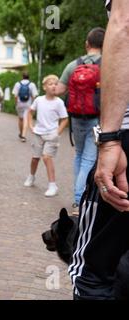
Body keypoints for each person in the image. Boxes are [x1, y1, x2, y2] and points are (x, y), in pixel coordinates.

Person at [68, 0, 129, 300]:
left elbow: (124, 23)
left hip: (119, 135)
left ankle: (78, 196)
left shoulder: (75, 65)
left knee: (95, 271)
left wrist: (111, 138)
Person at [56, 27, 106, 214]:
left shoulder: (73, 65)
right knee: (88, 158)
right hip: (97, 118)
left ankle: (78, 197)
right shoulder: (106, 65)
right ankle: (79, 199)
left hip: (76, 118)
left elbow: (59, 90)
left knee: (79, 155)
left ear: (87, 44)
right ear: (104, 45)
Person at [23, 75, 68, 197]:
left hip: (51, 135)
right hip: (38, 133)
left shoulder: (59, 102)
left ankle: (52, 185)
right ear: (44, 87)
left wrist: (57, 132)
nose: (54, 86)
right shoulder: (39, 100)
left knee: (47, 157)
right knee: (35, 158)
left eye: (56, 84)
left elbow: (64, 119)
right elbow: (30, 112)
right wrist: (31, 126)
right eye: (50, 84)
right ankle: (31, 176)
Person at [12, 73, 39, 142]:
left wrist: (16, 103)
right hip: (28, 104)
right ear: (28, 77)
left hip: (19, 104)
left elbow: (15, 95)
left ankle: (21, 134)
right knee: (26, 119)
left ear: (22, 77)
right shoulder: (32, 84)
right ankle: (23, 136)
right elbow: (34, 95)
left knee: (20, 119)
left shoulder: (17, 84)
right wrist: (32, 104)